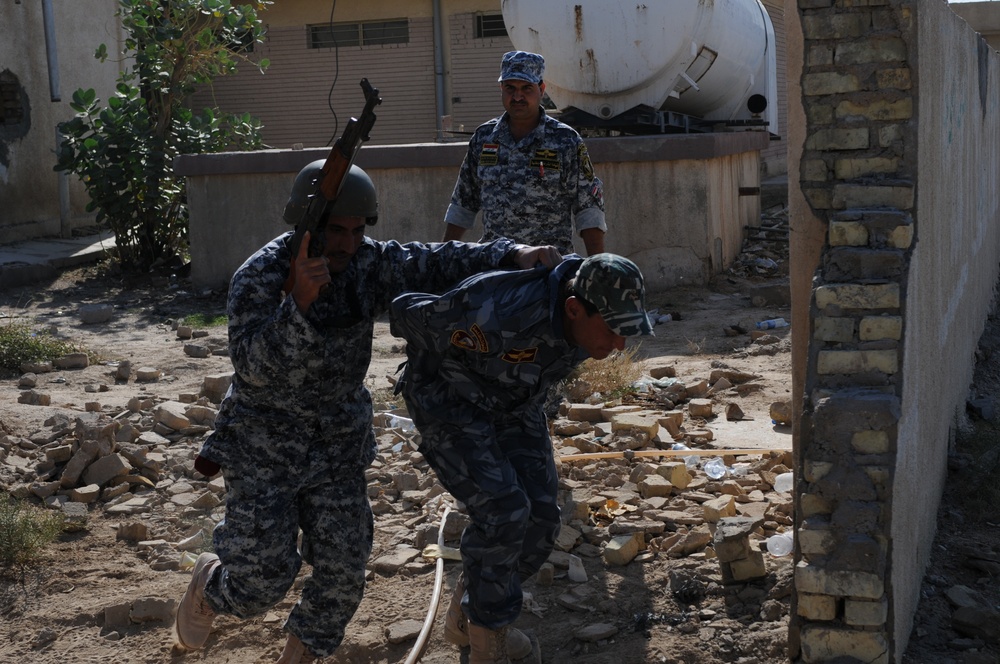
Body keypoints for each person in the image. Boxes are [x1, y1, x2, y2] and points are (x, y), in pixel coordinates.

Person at [170, 161, 562, 664]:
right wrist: (300, 306)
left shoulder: (366, 263)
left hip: (336, 444)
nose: (348, 244)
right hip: (263, 447)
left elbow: (434, 261)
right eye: (337, 230)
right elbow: (253, 368)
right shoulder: (261, 276)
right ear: (308, 224)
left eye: (358, 231)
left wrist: (512, 253)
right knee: (259, 585)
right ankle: (210, 584)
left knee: (342, 572)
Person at [389, 252, 653, 663]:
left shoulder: (587, 313)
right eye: (614, 331)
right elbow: (405, 313)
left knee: (542, 519)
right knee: (504, 510)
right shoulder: (496, 309)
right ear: (573, 309)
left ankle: (472, 611)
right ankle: (486, 646)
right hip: (448, 399)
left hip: (513, 402)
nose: (619, 345)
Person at [442, 50, 607, 256]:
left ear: (541, 89)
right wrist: (442, 258)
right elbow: (463, 204)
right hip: (497, 266)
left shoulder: (565, 141)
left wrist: (597, 267)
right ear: (501, 88)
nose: (517, 96)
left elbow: (588, 210)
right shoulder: (484, 139)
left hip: (548, 269)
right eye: (510, 88)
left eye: (526, 88)